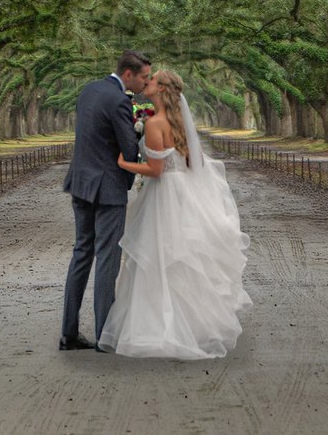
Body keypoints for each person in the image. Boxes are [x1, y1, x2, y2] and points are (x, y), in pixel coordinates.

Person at [100, 69, 252, 360]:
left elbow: (156, 170)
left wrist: (124, 164)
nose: (147, 83)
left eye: (153, 80)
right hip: (184, 195)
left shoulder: (156, 124)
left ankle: (159, 328)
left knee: (159, 259)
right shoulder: (178, 122)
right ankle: (193, 326)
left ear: (162, 90)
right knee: (181, 259)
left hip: (164, 196)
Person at [59, 49, 151, 351]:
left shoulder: (89, 90)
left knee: (81, 253)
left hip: (80, 183)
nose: (144, 83)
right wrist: (129, 178)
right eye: (143, 77)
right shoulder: (120, 100)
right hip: (107, 188)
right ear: (128, 74)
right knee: (107, 259)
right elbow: (127, 146)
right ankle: (105, 336)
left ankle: (68, 333)